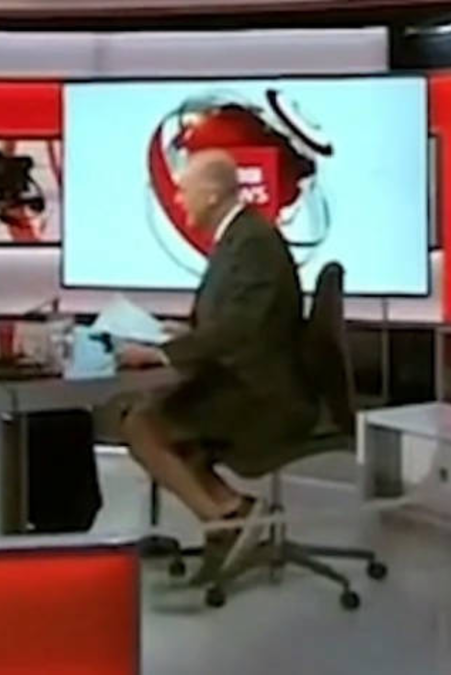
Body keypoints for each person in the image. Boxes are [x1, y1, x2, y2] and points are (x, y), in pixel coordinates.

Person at [116, 149, 318, 584]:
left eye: (184, 191)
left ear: (210, 194)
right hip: (245, 378)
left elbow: (241, 328)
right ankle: (233, 513)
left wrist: (165, 354)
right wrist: (180, 334)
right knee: (157, 420)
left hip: (262, 394)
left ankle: (226, 520)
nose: (179, 200)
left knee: (143, 425)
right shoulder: (239, 238)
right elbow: (231, 319)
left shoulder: (254, 241)